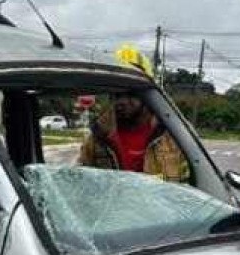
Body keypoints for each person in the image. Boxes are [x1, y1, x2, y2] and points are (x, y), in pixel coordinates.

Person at [77, 49, 190, 180]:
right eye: (117, 93)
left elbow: (191, 185)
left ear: (146, 92)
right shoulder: (98, 136)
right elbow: (82, 180)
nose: (122, 101)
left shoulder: (173, 135)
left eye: (131, 93)